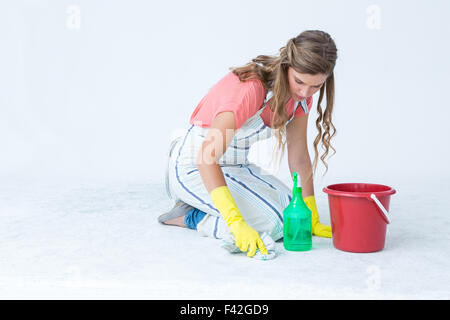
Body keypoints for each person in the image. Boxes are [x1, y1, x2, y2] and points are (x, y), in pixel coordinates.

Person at [159, 30, 338, 258]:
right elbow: (206, 158)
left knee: (292, 214)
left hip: (235, 167)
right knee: (272, 223)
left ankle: (204, 206)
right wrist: (235, 222)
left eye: (315, 86)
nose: (305, 92)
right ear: (286, 66)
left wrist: (310, 214)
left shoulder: (301, 98)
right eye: (299, 81)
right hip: (194, 165)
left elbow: (299, 157)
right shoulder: (251, 91)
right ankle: (192, 216)